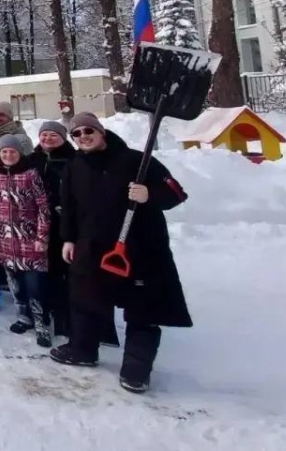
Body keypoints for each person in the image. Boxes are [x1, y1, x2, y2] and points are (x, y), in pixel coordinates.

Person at [52, 113, 191, 394]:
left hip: (140, 248)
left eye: (88, 130)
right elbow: (68, 206)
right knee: (84, 300)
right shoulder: (75, 166)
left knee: (142, 310)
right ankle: (83, 350)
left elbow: (176, 193)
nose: (83, 137)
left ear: (101, 131)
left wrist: (149, 195)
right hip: (92, 246)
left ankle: (136, 370)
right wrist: (68, 239)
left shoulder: (136, 161)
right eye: (76, 134)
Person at [0, 135, 52, 346]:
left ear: (20, 153)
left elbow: (43, 207)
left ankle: (41, 323)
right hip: (5, 237)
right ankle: (23, 316)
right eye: (4, 151)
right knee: (15, 282)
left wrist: (42, 236)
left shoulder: (31, 174)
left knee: (34, 283)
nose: (8, 155)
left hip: (29, 238)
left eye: (12, 151)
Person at [33, 120, 82, 341]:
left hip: (66, 222)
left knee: (69, 271)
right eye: (44, 135)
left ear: (63, 138)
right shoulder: (34, 159)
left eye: (53, 135)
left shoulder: (74, 160)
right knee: (48, 268)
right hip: (40, 223)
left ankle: (71, 317)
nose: (48, 139)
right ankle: (52, 310)